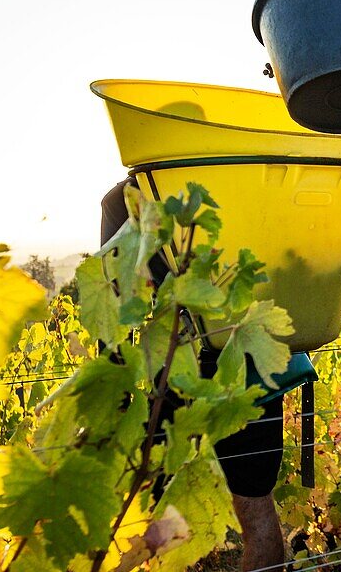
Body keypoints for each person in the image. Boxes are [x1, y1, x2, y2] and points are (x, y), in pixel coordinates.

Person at [101, 178, 286, 571]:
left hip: (177, 368)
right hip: (251, 360)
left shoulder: (127, 198)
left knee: (157, 514)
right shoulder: (258, 179)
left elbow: (113, 297)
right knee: (256, 505)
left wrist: (113, 389)